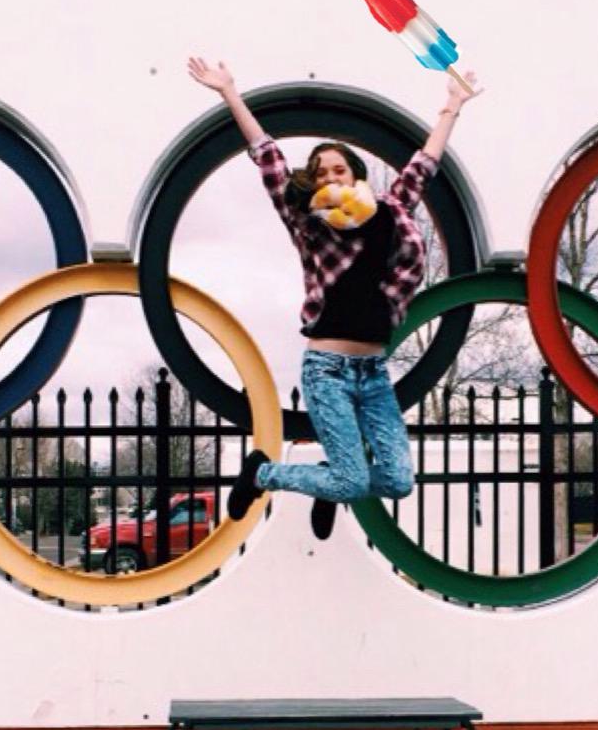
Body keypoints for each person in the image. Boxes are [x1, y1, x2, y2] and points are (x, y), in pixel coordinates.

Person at [187, 56, 478, 539]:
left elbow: (424, 166)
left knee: (398, 481)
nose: (330, 178)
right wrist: (229, 92)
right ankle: (263, 473)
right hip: (327, 370)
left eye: (339, 169)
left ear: (355, 174)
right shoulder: (310, 225)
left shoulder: (391, 210)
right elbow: (269, 159)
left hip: (373, 372)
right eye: (321, 173)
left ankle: (324, 485)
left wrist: (452, 107)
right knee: (351, 477)